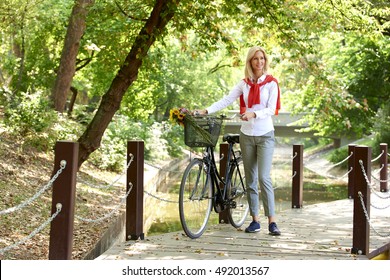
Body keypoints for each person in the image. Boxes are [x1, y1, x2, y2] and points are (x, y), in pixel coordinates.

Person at [194, 46, 281, 235]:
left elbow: (271, 109)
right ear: (250, 62)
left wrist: (253, 113)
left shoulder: (271, 83)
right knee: (250, 179)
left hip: (265, 134)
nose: (259, 62)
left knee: (264, 177)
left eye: (262, 58)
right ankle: (255, 220)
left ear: (265, 61)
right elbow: (226, 100)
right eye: (255, 59)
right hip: (247, 135)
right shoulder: (244, 84)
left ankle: (272, 222)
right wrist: (206, 111)